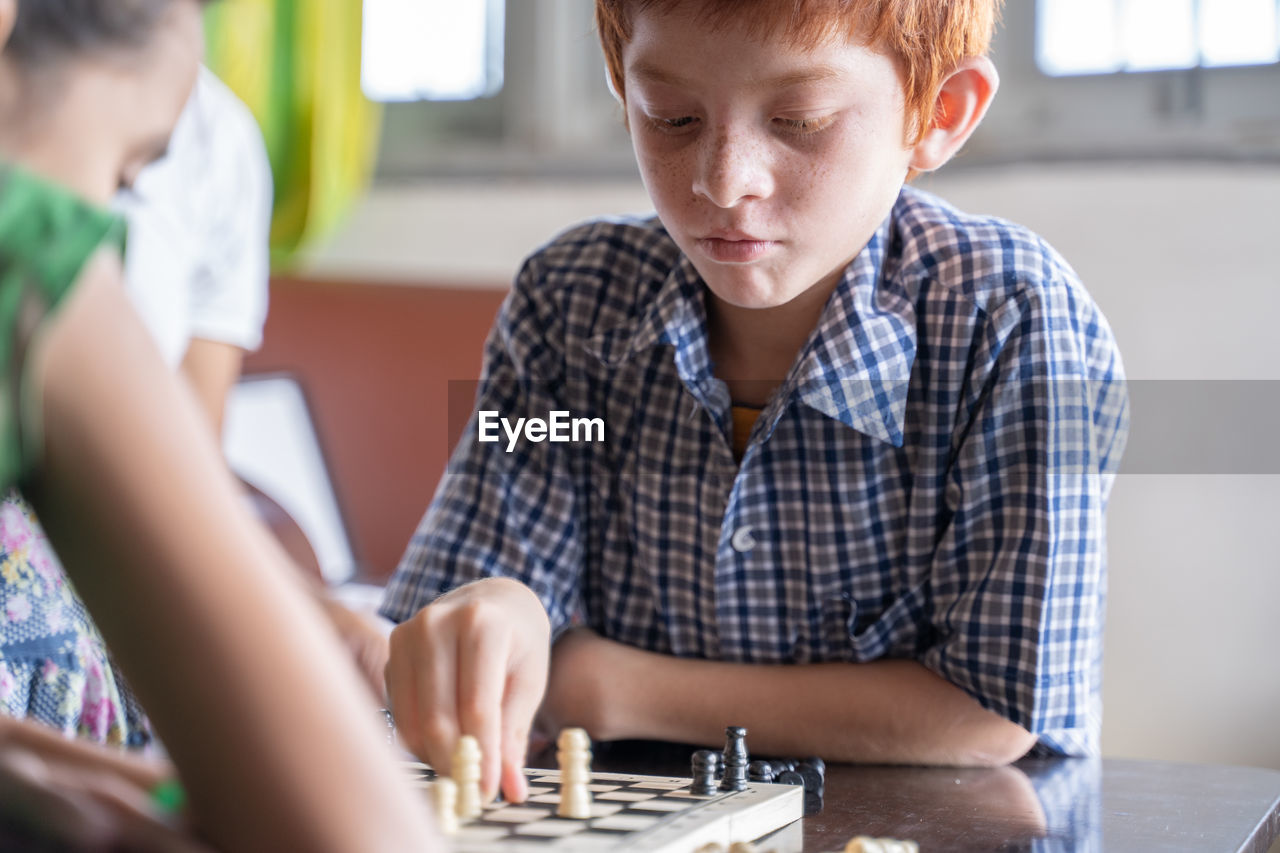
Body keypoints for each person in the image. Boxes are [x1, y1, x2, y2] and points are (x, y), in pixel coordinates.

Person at [381, 0, 1129, 804]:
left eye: (800, 120)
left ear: (938, 113)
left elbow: (989, 711)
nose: (723, 179)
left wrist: (604, 685)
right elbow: (471, 594)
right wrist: (499, 606)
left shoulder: (1008, 319)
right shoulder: (568, 307)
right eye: (671, 117)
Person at [0, 1, 440, 849]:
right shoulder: (33, 258)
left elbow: (180, 487)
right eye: (130, 173)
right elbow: (363, 833)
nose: (112, 221)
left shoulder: (214, 149)